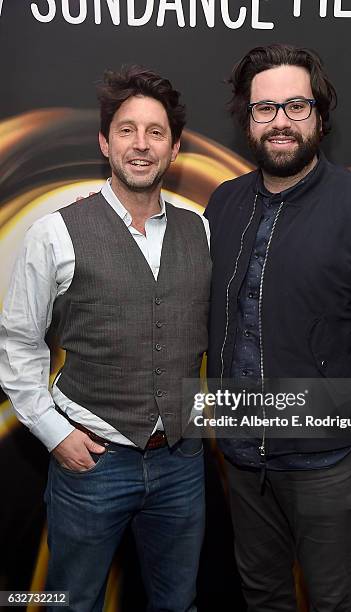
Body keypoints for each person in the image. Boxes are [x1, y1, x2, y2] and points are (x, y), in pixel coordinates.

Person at [204, 44, 351, 611]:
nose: (280, 120)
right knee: (262, 597)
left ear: (320, 116)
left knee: (334, 601)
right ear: (247, 119)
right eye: (265, 108)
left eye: (296, 105)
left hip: (327, 459)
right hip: (240, 456)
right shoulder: (224, 205)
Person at [0, 66, 211, 612]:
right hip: (92, 462)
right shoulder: (55, 231)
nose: (141, 144)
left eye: (156, 132)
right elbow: (19, 340)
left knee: (177, 604)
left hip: (181, 462)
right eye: (126, 129)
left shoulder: (202, 230)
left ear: (175, 147)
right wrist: (53, 432)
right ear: (104, 140)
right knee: (73, 603)